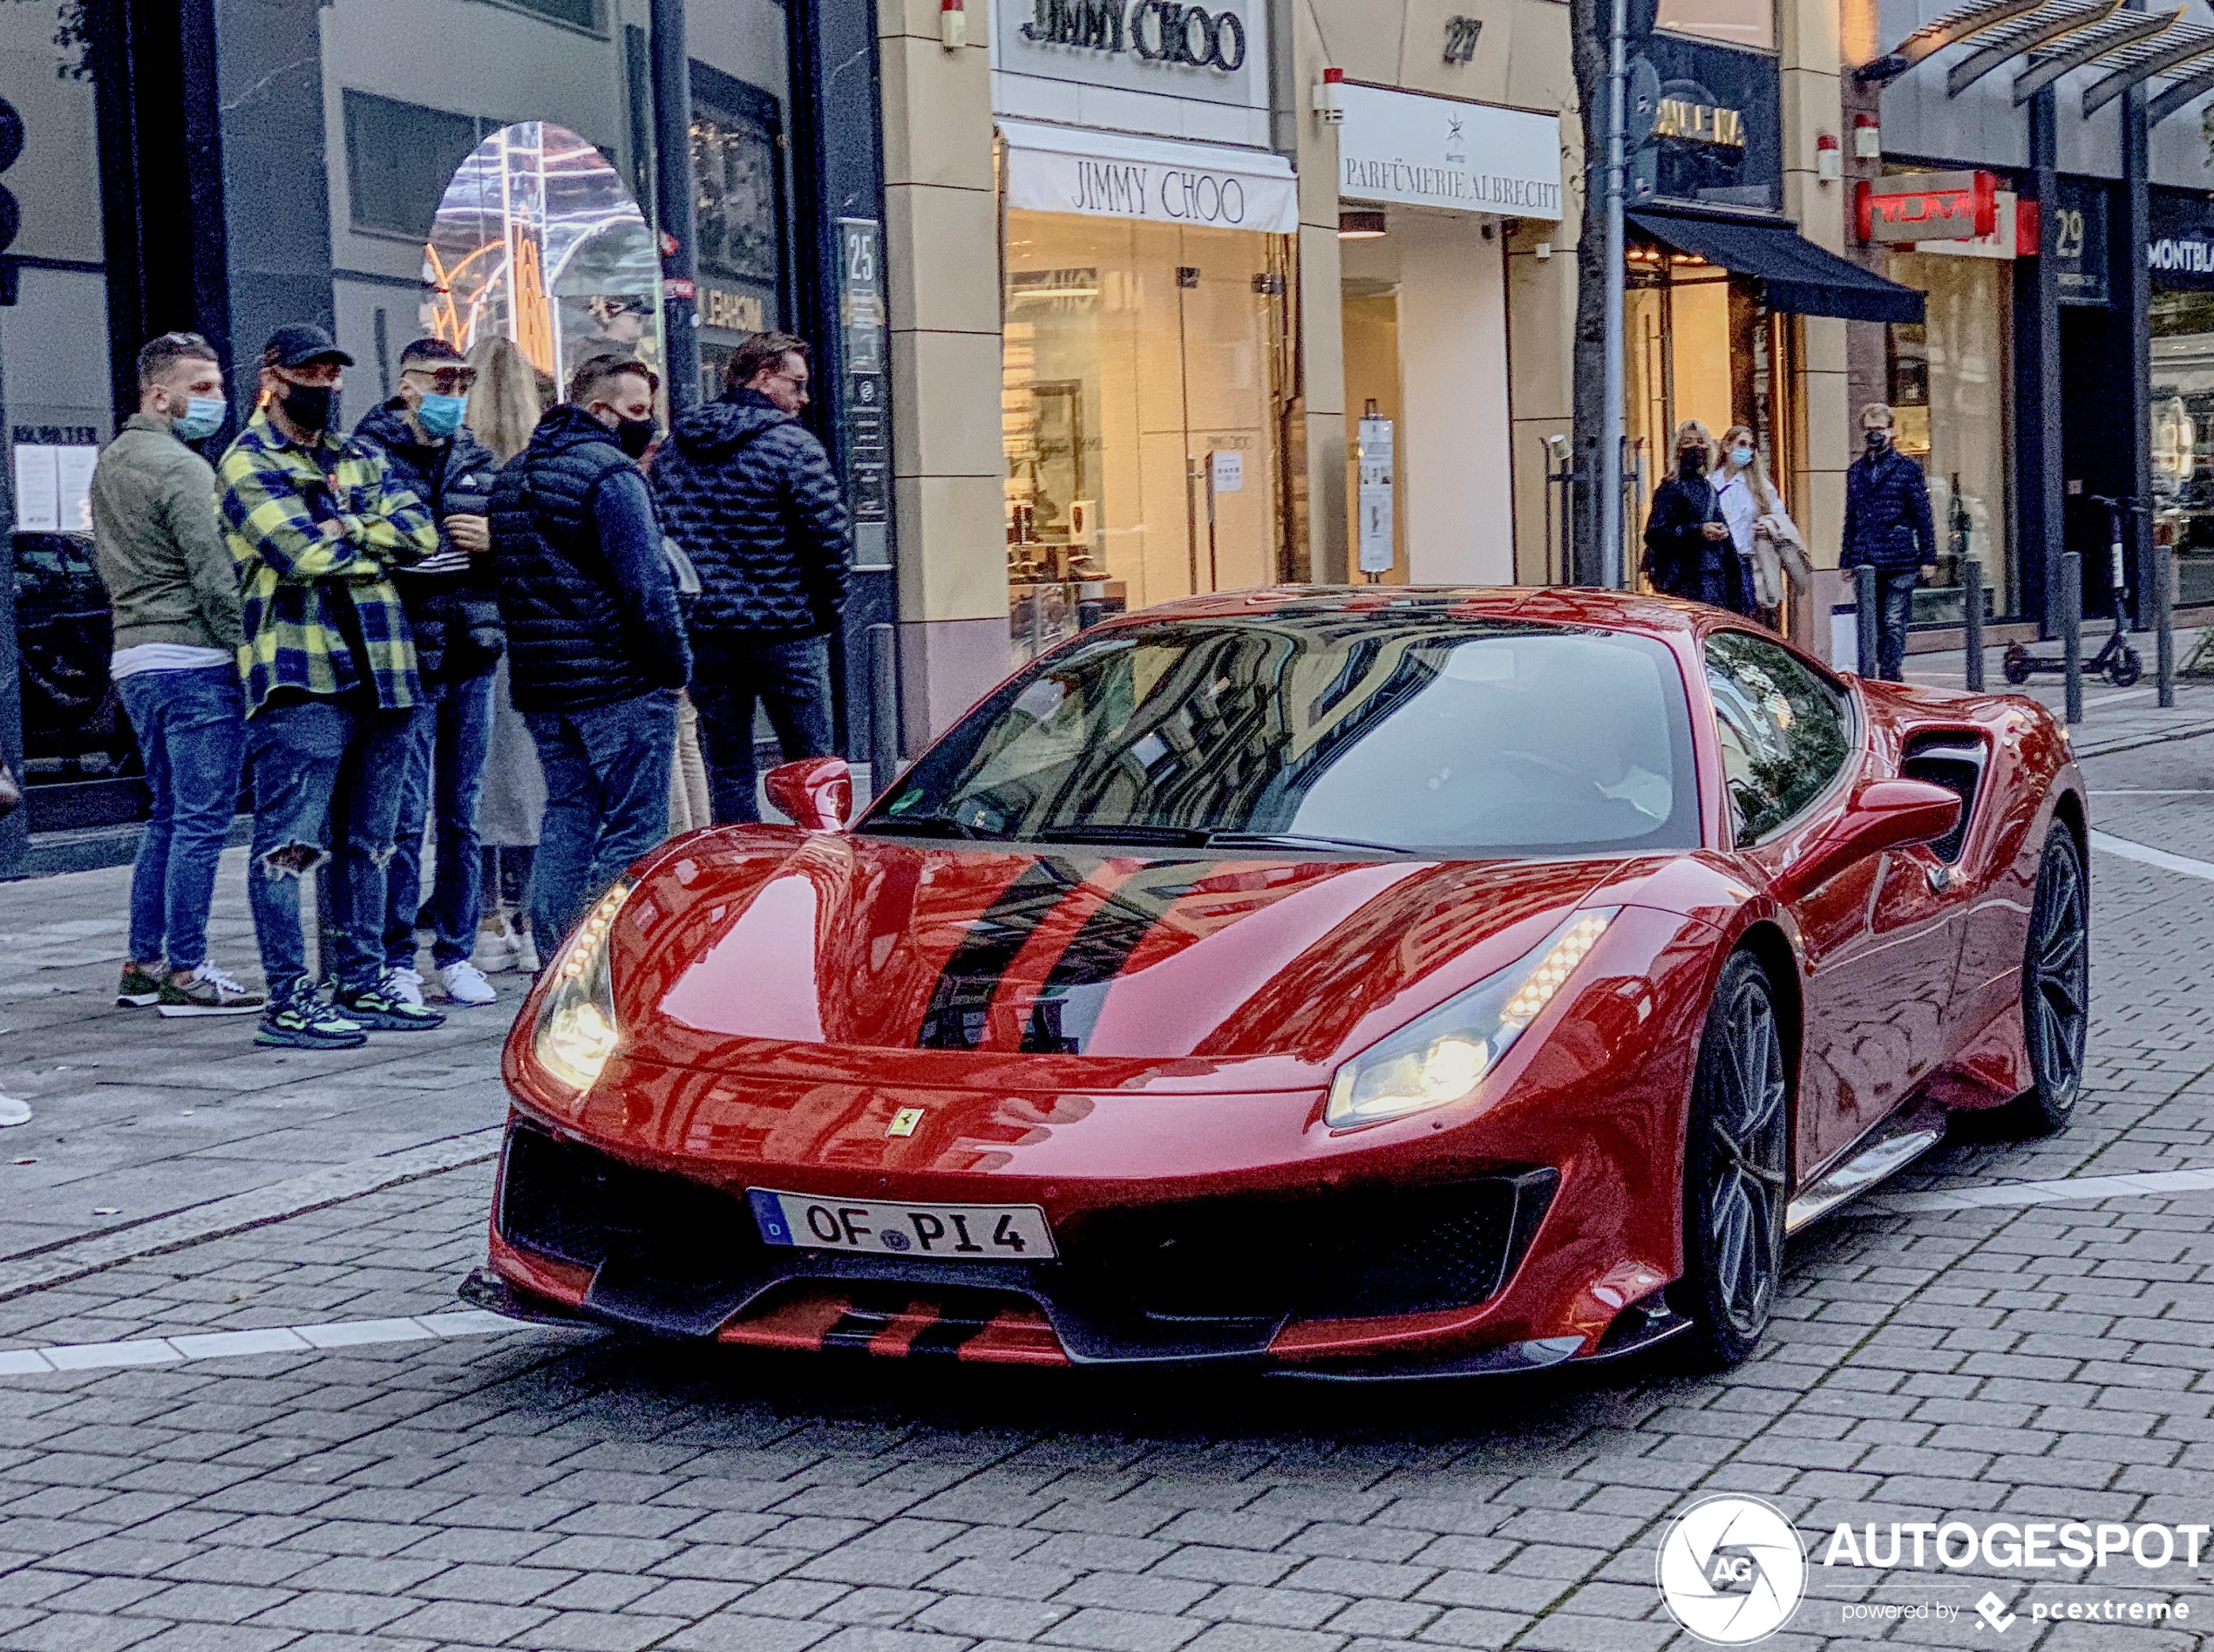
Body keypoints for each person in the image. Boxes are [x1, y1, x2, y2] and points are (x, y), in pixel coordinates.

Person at [217, 323, 448, 1047]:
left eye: (332, 374)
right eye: (309, 373)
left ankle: (361, 978)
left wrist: (353, 532)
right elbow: (299, 552)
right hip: (299, 673)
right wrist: (365, 532)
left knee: (372, 840)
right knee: (291, 842)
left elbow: (422, 531)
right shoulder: (245, 460)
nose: (323, 385)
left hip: (385, 670)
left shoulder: (360, 453)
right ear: (274, 375)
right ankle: (289, 997)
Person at [487, 353, 690, 950]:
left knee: (569, 817)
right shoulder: (612, 477)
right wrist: (674, 666)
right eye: (635, 411)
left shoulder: (514, 476)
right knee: (634, 828)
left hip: (546, 685)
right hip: (620, 680)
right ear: (598, 410)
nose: (647, 423)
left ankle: (554, 958)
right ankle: (607, 957)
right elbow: (646, 587)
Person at [89, 331, 264, 1018]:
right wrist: (245, 653)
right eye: (202, 388)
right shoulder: (185, 470)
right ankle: (188, 968)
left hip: (134, 658)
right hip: (193, 659)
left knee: (165, 816)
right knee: (200, 820)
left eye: (218, 386)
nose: (216, 400)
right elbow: (216, 579)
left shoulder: (113, 462)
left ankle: (144, 961)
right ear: (158, 396)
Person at [351, 338, 504, 1008]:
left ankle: (457, 949)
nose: (455, 392)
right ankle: (395, 956)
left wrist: (495, 544)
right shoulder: (369, 455)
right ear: (407, 385)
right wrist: (425, 550)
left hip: (472, 650)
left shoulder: (475, 457)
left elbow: (510, 545)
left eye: (464, 380)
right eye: (444, 379)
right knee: (404, 815)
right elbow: (368, 544)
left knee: (462, 812)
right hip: (406, 654)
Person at [653, 330, 851, 824]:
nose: (802, 400)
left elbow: (662, 536)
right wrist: (823, 613)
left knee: (728, 767)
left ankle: (739, 870)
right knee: (813, 769)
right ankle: (824, 867)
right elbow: (828, 542)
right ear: (764, 378)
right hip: (786, 633)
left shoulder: (679, 445)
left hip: (709, 634)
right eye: (797, 384)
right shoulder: (793, 446)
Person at [461, 337, 548, 976]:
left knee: (480, 777)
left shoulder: (454, 464)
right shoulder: (544, 464)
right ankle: (527, 915)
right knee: (533, 779)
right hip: (535, 633)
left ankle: (488, 915)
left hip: (468, 634)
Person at [1841, 402, 1937, 681]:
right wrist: (1846, 559)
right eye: (1869, 430)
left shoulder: (1908, 469)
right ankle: (1871, 673)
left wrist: (1929, 557)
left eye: (1879, 429)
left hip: (1900, 557)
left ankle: (1891, 673)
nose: (1874, 435)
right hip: (1866, 559)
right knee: (1871, 622)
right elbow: (1851, 517)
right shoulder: (1856, 471)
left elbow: (1923, 514)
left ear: (1891, 431)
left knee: (1893, 621)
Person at [1642, 419, 1756, 615]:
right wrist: (1698, 531)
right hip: (1683, 583)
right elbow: (1655, 534)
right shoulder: (1670, 488)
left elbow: (1727, 544)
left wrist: (1740, 594)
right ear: (1679, 449)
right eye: (1688, 442)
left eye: (1701, 441)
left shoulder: (1708, 488)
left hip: (1714, 581)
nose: (1696, 447)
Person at [1713, 425, 1811, 634]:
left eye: (1751, 446)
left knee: (1753, 620)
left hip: (1749, 562)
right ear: (1727, 446)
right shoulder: (1712, 483)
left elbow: (1778, 515)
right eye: (1742, 444)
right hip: (1721, 562)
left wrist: (1768, 526)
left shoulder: (1760, 485)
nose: (1747, 450)